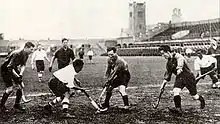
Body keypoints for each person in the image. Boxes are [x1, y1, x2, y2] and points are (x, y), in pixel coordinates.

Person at [158, 45, 205, 116]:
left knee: (194, 96)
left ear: (167, 52)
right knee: (176, 91)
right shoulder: (168, 63)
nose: (163, 55)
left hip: (188, 77)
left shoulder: (177, 55)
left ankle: (201, 99)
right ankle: (178, 109)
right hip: (180, 77)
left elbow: (181, 59)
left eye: (163, 53)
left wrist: (179, 68)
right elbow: (168, 74)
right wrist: (163, 85)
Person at [0, 42, 35, 112]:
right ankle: (1, 106)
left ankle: (17, 105)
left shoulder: (26, 54)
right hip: (5, 69)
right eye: (31, 49)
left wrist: (21, 74)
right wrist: (17, 76)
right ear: (26, 48)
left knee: (21, 86)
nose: (32, 51)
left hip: (13, 68)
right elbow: (9, 67)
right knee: (10, 89)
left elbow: (23, 65)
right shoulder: (17, 53)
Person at [100, 47, 130, 111]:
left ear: (115, 53)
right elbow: (108, 70)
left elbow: (114, 72)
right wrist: (106, 79)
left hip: (124, 75)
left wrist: (109, 81)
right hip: (117, 74)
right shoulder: (109, 59)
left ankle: (126, 106)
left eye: (112, 54)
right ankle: (106, 103)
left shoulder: (119, 61)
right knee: (109, 88)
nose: (110, 56)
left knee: (121, 90)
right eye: (109, 55)